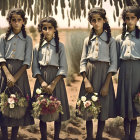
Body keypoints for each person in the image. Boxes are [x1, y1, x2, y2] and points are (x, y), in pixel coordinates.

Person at [78, 7, 117, 140]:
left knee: (103, 106)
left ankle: (99, 136)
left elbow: (113, 64)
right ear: (90, 22)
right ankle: (89, 136)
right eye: (93, 20)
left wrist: (107, 84)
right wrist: (85, 80)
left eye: (99, 19)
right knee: (88, 105)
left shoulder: (110, 41)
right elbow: (83, 61)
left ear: (104, 20)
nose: (96, 23)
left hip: (104, 76)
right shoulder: (87, 40)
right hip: (89, 74)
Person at [32, 17, 70, 140]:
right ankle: (43, 137)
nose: (47, 30)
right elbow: (35, 67)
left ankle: (56, 137)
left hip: (56, 80)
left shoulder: (60, 46)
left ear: (54, 29)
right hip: (41, 79)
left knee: (56, 109)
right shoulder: (37, 47)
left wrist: (53, 84)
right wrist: (42, 82)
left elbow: (63, 66)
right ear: (41, 30)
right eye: (44, 28)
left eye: (50, 28)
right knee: (42, 108)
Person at [0, 8, 34, 140]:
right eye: (13, 20)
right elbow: (1, 57)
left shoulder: (27, 39)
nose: (16, 22)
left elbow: (26, 62)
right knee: (3, 103)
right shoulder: (3, 37)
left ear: (24, 21)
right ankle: (3, 136)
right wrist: (8, 75)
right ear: (9, 21)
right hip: (4, 73)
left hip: (20, 75)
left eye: (19, 20)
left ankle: (14, 135)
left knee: (18, 104)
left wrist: (15, 78)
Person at [116, 6, 140, 140]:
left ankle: (133, 136)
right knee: (125, 106)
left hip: (137, 71)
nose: (130, 21)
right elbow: (116, 61)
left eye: (133, 18)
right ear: (124, 20)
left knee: (135, 106)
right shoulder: (119, 38)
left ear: (137, 19)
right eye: (127, 18)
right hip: (124, 72)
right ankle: (126, 136)